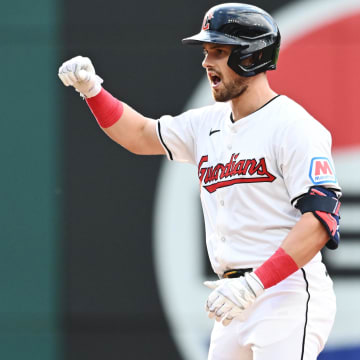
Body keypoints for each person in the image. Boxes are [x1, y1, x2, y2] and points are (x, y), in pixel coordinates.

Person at [58, 3, 341, 360]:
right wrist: (93, 90)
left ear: (251, 57)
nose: (207, 62)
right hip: (233, 298)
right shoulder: (206, 123)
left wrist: (256, 284)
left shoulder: (295, 127)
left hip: (285, 293)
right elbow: (140, 135)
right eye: (207, 52)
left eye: (219, 52)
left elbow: (321, 220)